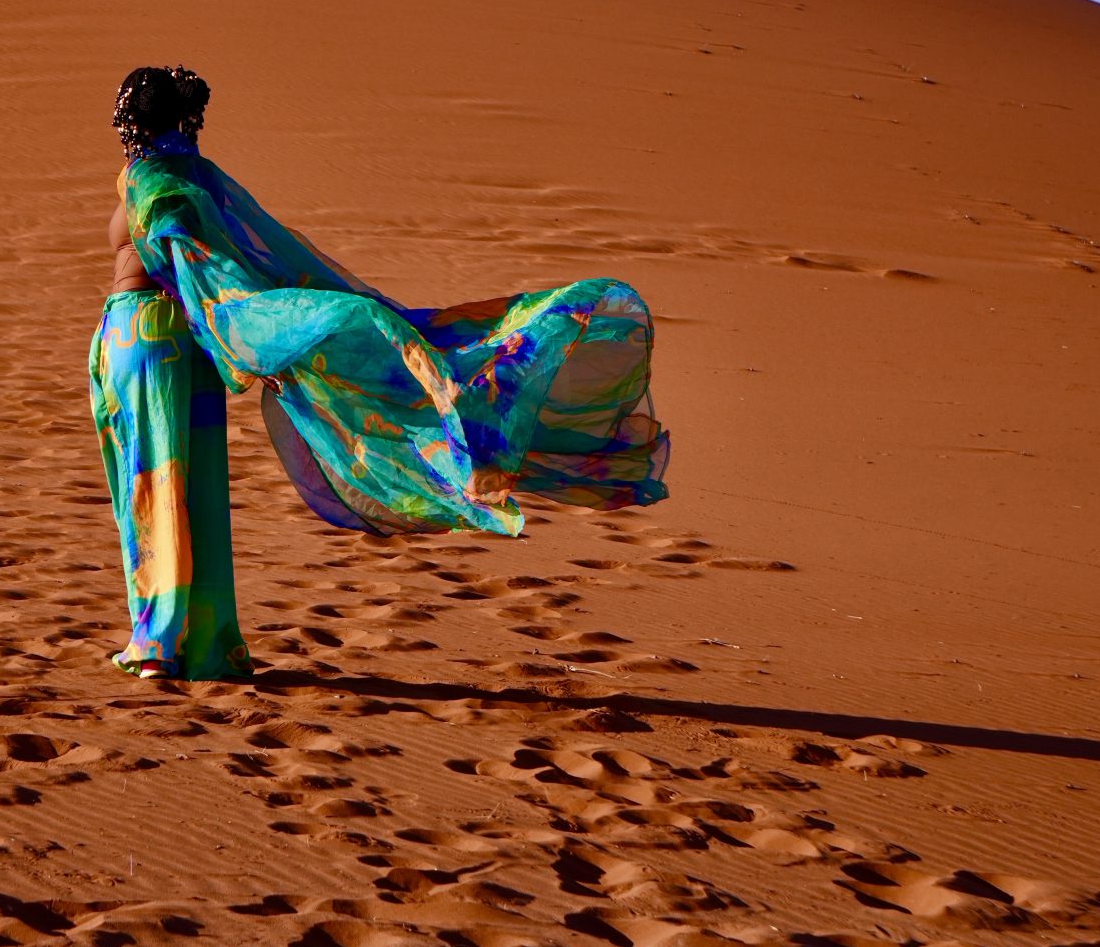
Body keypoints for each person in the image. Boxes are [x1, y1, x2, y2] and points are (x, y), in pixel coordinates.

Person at [90, 63, 670, 682]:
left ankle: (157, 642)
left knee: (151, 478)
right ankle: (205, 643)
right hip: (189, 348)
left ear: (132, 121)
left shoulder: (148, 177)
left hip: (146, 338)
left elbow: (191, 263)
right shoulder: (200, 178)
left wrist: (252, 329)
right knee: (194, 486)